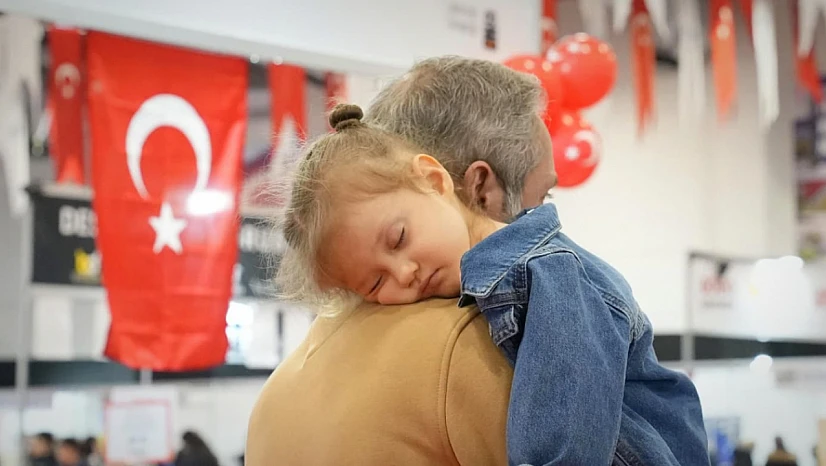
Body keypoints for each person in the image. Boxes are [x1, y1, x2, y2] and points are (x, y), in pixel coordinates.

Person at [272, 97, 709, 466]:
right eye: (373, 284)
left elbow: (569, 439)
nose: (405, 274)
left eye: (399, 239)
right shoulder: (485, 285)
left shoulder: (550, 272)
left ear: (434, 179)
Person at [247, 56, 552, 466]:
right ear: (481, 188)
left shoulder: (278, 387)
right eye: (543, 199)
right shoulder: (477, 342)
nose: (406, 273)